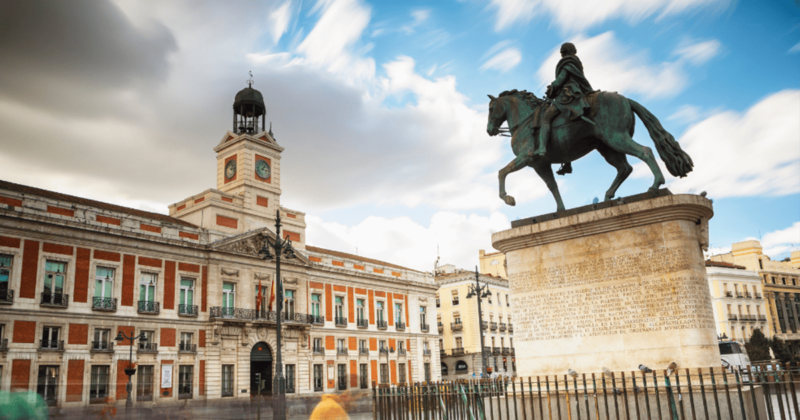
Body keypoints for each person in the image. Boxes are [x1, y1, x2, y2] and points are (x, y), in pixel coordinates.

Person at [534, 42, 595, 172]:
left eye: (561, 51)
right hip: (575, 93)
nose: (561, 54)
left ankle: (542, 148)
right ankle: (566, 163)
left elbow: (561, 80)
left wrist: (552, 88)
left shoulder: (566, 63)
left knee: (546, 118)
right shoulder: (576, 62)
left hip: (567, 96)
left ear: (563, 52)